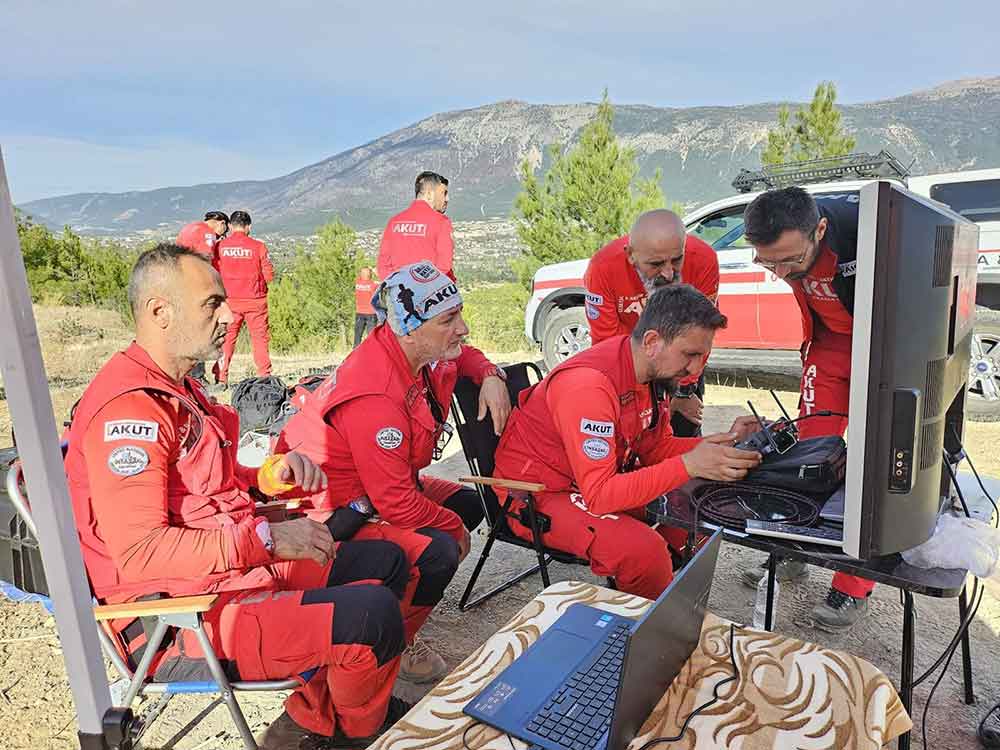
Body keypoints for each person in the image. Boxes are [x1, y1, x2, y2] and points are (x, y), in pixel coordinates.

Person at [63, 243, 412, 749]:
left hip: (227, 574)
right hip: (179, 615)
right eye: (212, 303)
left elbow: (211, 484)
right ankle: (358, 736)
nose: (229, 314)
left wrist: (271, 476)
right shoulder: (132, 410)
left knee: (384, 561)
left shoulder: (178, 388)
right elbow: (140, 553)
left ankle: (322, 717)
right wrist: (267, 536)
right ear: (159, 312)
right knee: (372, 616)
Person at [276, 261, 511, 683]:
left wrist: (491, 375)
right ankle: (393, 638)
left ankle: (400, 603)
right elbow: (396, 503)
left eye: (460, 313)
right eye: (449, 319)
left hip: (381, 485)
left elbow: (464, 357)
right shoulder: (375, 394)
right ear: (410, 327)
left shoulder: (420, 351)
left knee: (468, 506)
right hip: (332, 509)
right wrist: (453, 530)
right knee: (443, 545)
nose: (463, 328)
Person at [493, 285, 762, 600]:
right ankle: (647, 630)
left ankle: (666, 600)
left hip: (586, 482)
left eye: (702, 356)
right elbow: (601, 496)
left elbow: (656, 449)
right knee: (642, 551)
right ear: (651, 342)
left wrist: (728, 443)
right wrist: (690, 464)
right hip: (536, 493)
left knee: (700, 510)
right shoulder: (588, 387)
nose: (695, 369)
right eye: (690, 355)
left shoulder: (648, 373)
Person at [741, 186, 872, 631]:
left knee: (869, 467)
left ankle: (852, 588)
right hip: (829, 350)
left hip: (884, 354)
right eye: (768, 262)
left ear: (820, 230)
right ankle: (790, 553)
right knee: (807, 459)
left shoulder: (867, 232)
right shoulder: (786, 253)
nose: (780, 272)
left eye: (789, 261)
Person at [584, 210, 720, 437]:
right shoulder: (603, 268)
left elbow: (701, 334)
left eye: (677, 260)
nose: (668, 273)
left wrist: (684, 392)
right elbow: (606, 342)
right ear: (630, 255)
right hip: (631, 364)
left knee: (682, 435)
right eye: (656, 264)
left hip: (682, 366)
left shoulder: (703, 258)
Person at [214, 210, 274, 385]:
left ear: (231, 226)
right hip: (256, 301)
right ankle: (264, 375)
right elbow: (269, 275)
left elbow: (214, 271)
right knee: (260, 339)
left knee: (226, 340)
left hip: (230, 301)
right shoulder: (259, 247)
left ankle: (221, 377)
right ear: (249, 227)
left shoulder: (220, 247)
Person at [176, 211, 230, 383]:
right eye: (225, 229)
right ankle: (197, 376)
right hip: (196, 287)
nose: (223, 233)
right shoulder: (206, 233)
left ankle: (186, 372)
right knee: (199, 330)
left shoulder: (189, 228)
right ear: (220, 223)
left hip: (182, 284)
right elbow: (205, 257)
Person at [377, 172, 455, 280]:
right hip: (429, 292)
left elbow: (383, 263)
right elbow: (444, 266)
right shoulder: (441, 222)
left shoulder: (394, 222)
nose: (447, 199)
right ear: (429, 194)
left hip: (399, 292)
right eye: (444, 193)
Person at [353, 267, 378, 347]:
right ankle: (371, 355)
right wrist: (375, 272)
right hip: (371, 314)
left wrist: (367, 271)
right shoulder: (374, 284)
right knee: (371, 338)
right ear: (370, 275)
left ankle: (355, 354)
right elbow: (385, 281)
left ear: (361, 274)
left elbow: (360, 275)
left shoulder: (357, 283)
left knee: (357, 337)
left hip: (359, 313)